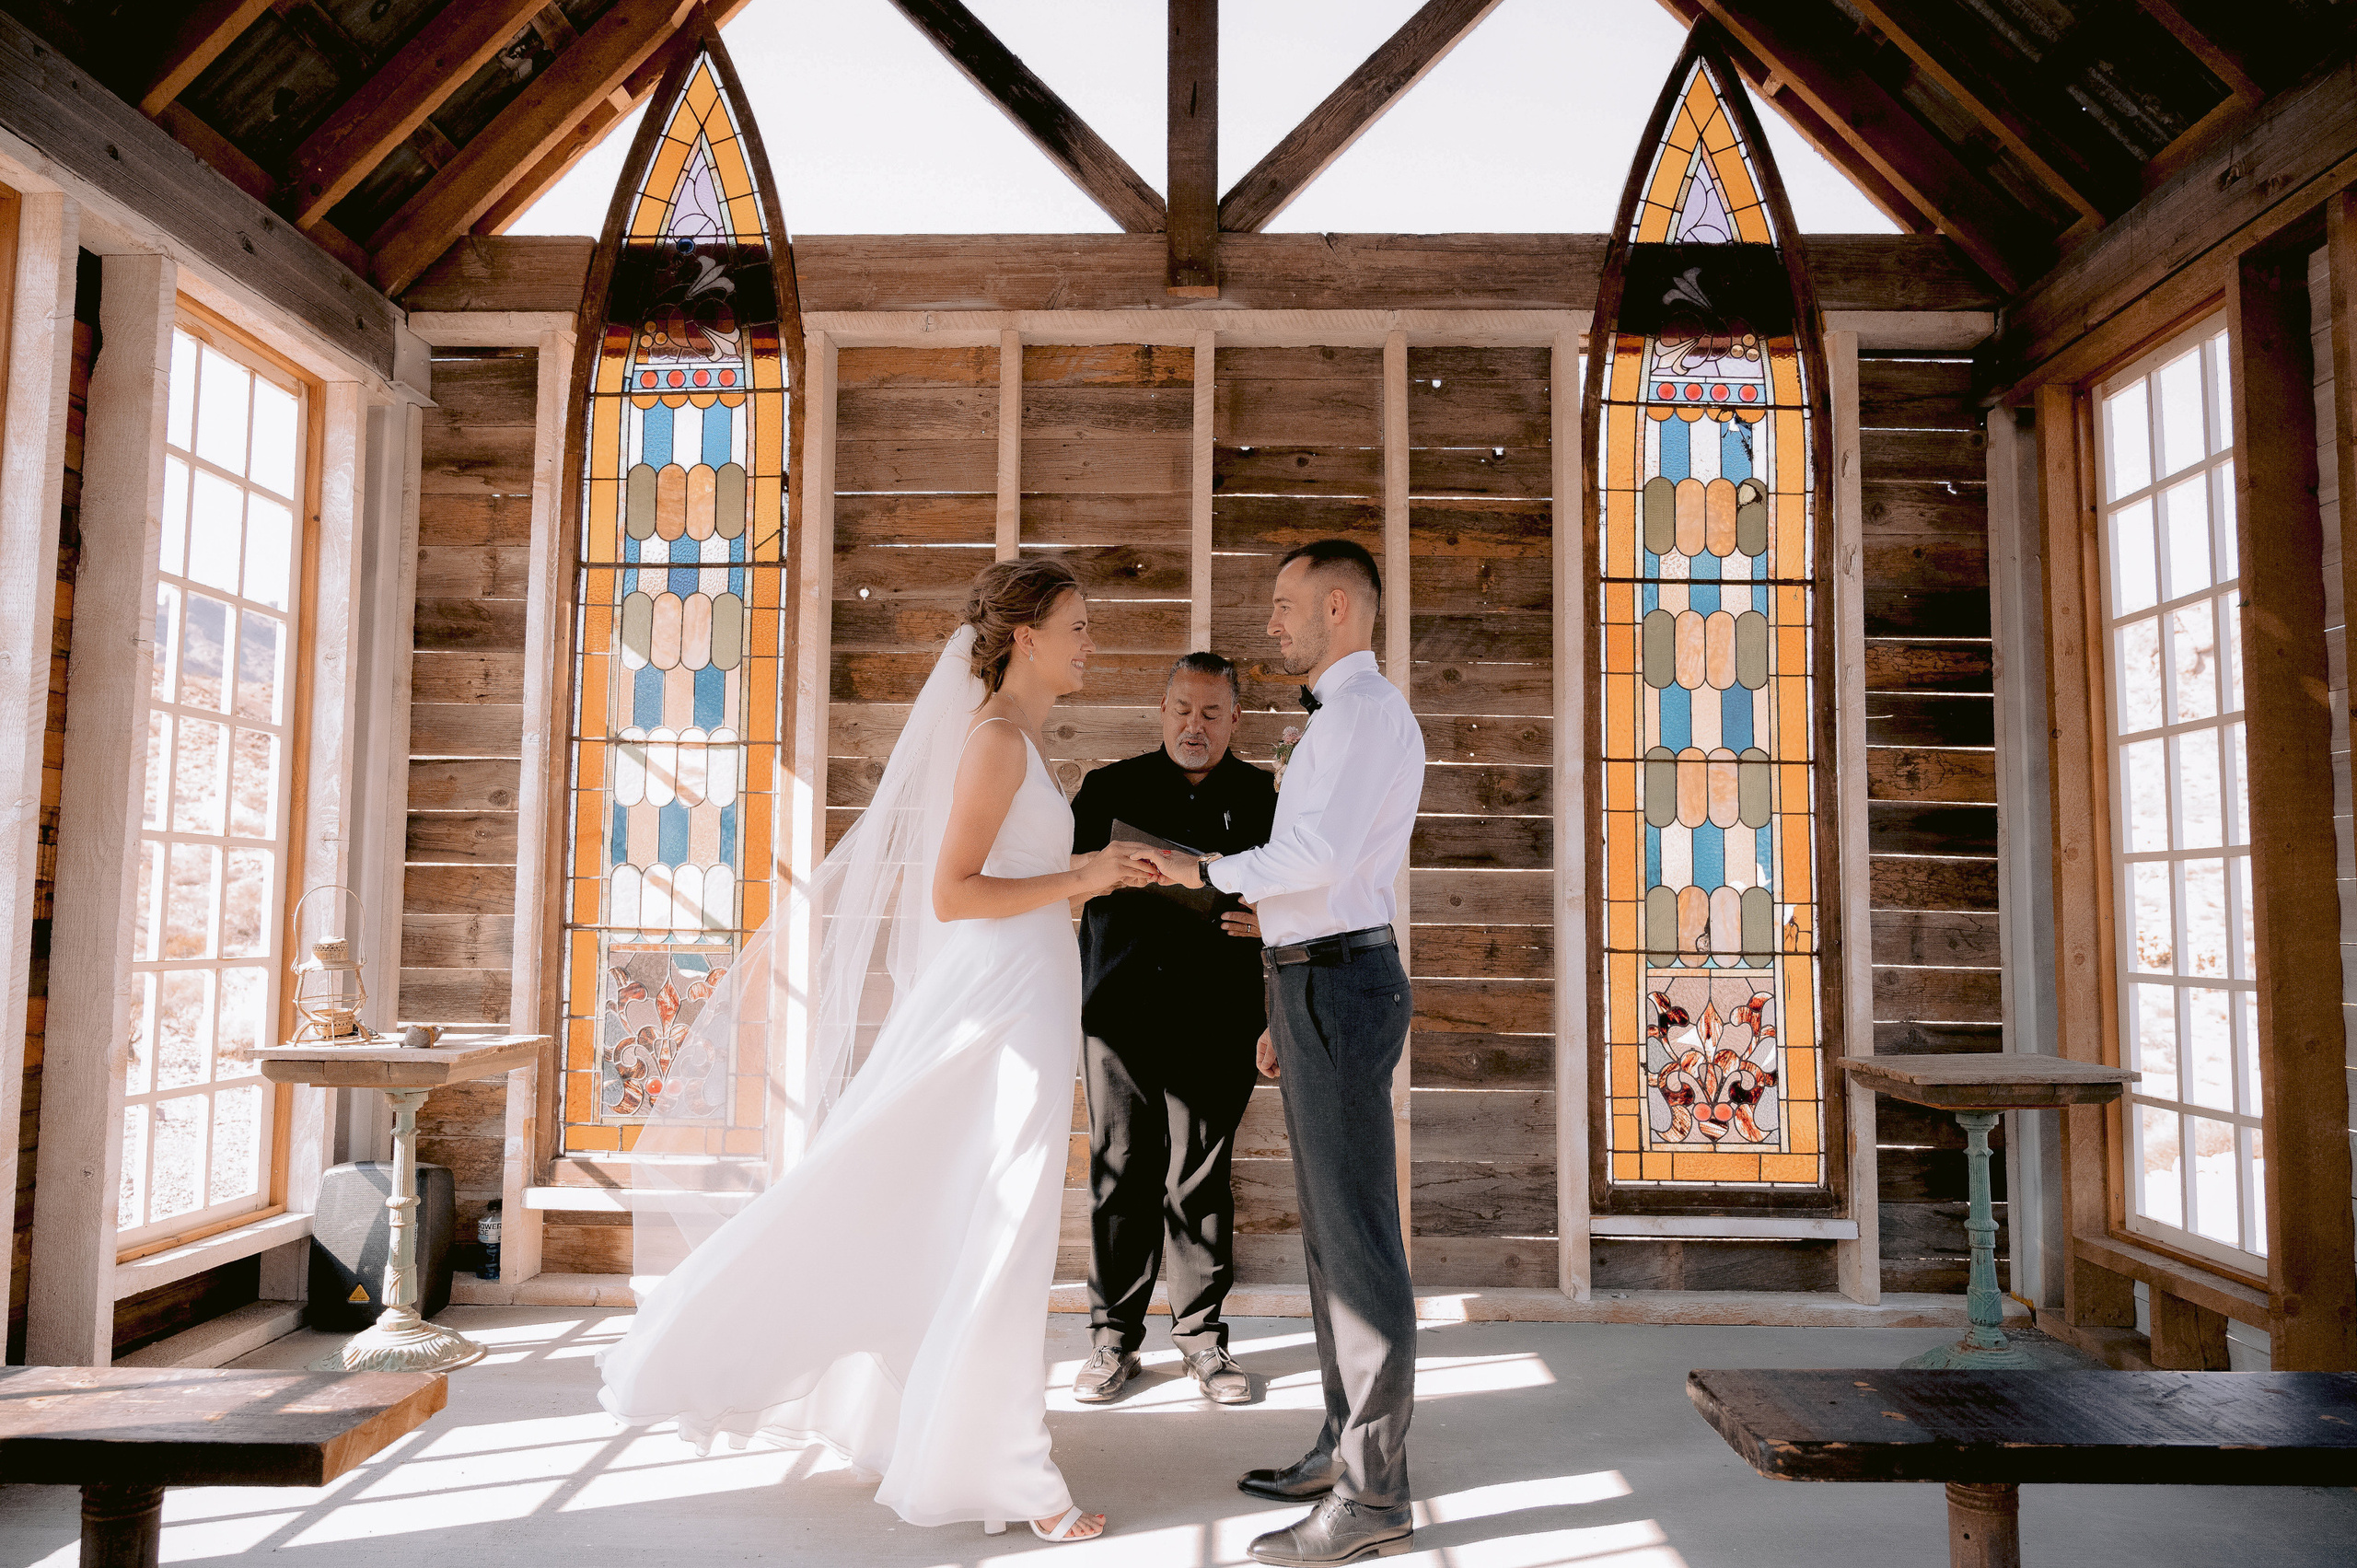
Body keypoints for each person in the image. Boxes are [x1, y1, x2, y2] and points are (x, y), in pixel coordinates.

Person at [596, 558, 1164, 1545]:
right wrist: (1089, 871)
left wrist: (1092, 876)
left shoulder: (1020, 739)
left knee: (971, 1217)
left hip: (1023, 996)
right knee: (1004, 1229)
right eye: (1077, 623)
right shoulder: (993, 741)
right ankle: (1014, 1475)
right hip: (1002, 1006)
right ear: (1025, 635)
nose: (1090, 640)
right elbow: (954, 893)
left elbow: (1005, 880)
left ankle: (931, 1428)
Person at [1156, 539, 1428, 1567]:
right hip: (1317, 976)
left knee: (1358, 1245)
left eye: (1285, 603)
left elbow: (1311, 858)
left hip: (1342, 978)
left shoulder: (1360, 715)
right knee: (1330, 1240)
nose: (1269, 620)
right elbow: (1323, 871)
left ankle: (1375, 1494)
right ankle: (1342, 1441)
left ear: (1340, 607)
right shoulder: (1345, 719)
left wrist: (1202, 867)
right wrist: (1282, 990)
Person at [1067, 653, 1277, 1406]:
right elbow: (1062, 879)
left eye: (1212, 713)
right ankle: (1111, 1343)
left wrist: (1273, 942)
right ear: (1162, 712)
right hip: (1119, 1013)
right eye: (1183, 710)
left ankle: (1204, 1344)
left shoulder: (1264, 798)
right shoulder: (1108, 789)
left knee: (1201, 1177)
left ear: (1234, 720)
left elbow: (1292, 908)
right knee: (1120, 1169)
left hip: (1220, 1020)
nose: (1195, 725)